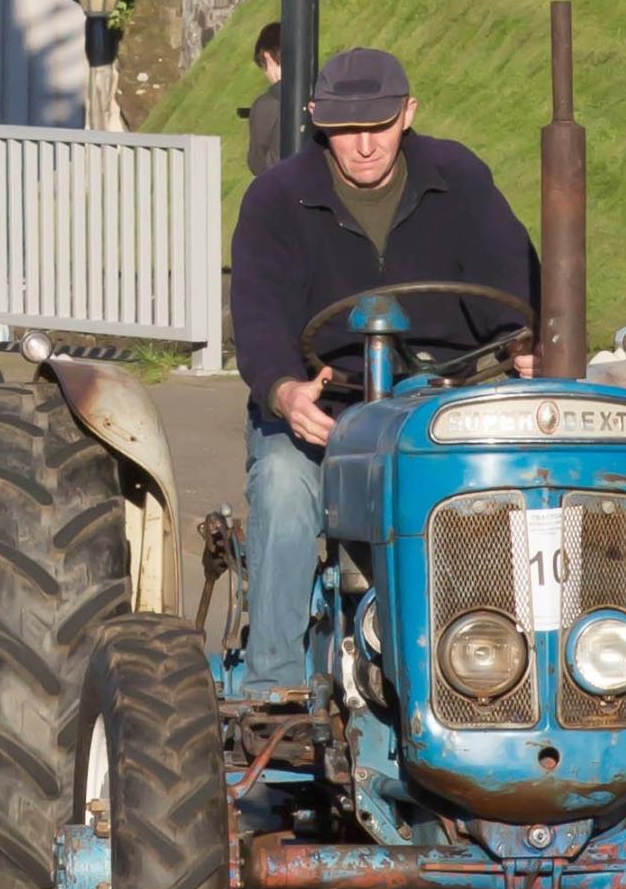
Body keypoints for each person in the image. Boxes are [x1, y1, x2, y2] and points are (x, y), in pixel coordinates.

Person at [230, 44, 540, 694]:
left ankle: (521, 675)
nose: (365, 146)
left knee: (531, 491)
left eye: (379, 126)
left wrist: (522, 341)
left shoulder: (459, 179)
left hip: (440, 406)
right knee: (285, 487)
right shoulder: (277, 199)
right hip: (327, 412)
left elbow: (512, 277)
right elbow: (258, 314)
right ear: (318, 120)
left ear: (409, 114)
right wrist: (285, 392)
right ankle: (274, 686)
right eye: (346, 131)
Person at [243, 22, 284, 180]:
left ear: (267, 56)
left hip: (279, 191)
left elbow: (257, 163)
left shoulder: (266, 106)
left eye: (263, 65)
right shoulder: (323, 95)